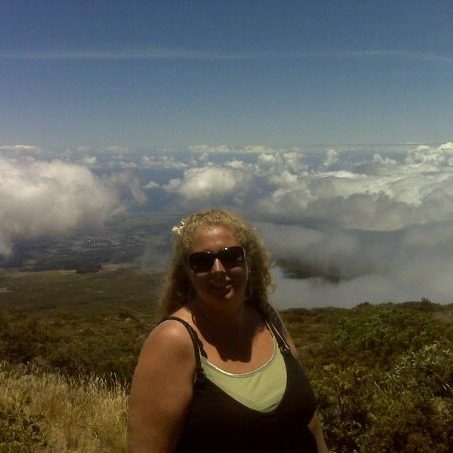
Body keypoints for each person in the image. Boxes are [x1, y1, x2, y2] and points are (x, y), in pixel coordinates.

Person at [128, 209, 328, 452]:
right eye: (202, 262)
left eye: (231, 256)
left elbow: (310, 423)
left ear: (248, 262)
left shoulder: (268, 319)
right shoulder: (173, 341)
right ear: (188, 273)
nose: (218, 270)